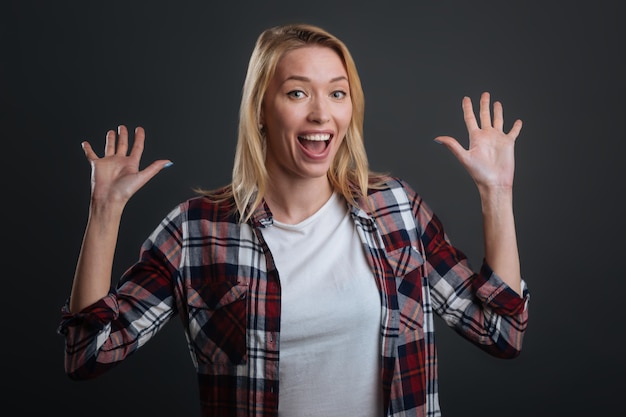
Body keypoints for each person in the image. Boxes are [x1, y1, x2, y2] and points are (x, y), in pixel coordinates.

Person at [58, 23, 530, 417]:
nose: (321, 113)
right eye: (297, 92)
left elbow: (501, 333)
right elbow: (88, 356)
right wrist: (104, 212)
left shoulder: (397, 211)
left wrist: (497, 193)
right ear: (261, 109)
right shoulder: (196, 233)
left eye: (337, 93)